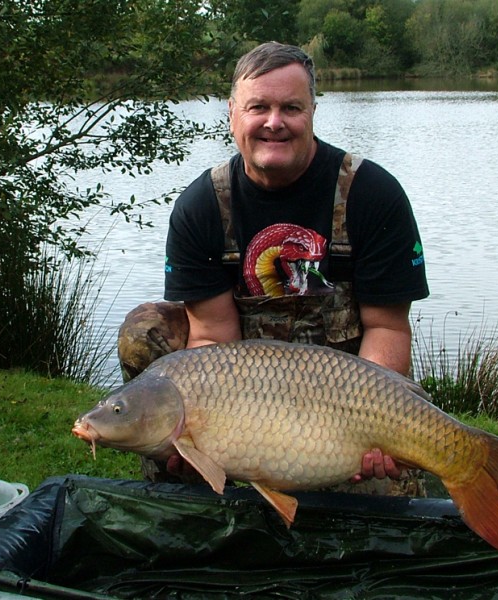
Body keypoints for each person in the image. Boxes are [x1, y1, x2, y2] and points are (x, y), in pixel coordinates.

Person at [118, 42, 429, 487]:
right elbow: (212, 337)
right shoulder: (202, 206)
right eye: (258, 107)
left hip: (349, 390)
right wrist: (204, 434)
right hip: (245, 394)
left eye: (291, 108)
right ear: (232, 114)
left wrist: (374, 426)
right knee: (143, 329)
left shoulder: (372, 193)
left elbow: (387, 328)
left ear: (313, 112)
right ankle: (188, 475)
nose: (274, 122)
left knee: (379, 492)